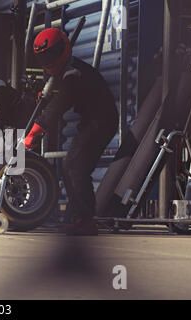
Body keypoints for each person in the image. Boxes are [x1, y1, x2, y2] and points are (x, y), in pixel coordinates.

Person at [24, 28, 119, 235]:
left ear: (64, 49)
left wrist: (35, 131)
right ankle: (77, 217)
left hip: (101, 121)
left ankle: (86, 220)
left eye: (51, 55)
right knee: (70, 167)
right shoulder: (65, 72)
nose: (48, 61)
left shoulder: (73, 73)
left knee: (75, 167)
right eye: (44, 57)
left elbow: (59, 104)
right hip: (91, 120)